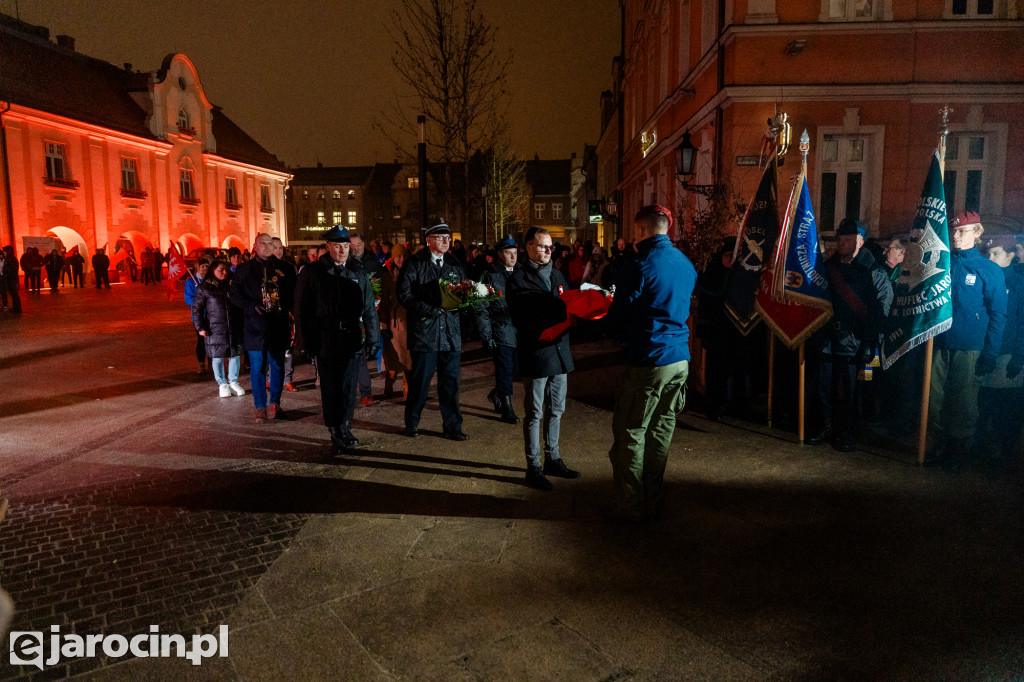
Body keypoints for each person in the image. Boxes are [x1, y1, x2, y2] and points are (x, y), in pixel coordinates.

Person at [602, 205, 696, 520]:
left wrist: (597, 318)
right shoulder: (684, 263)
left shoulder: (640, 264)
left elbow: (619, 314)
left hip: (651, 360)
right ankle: (653, 499)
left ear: (641, 230)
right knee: (661, 432)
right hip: (679, 359)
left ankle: (629, 507)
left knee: (631, 433)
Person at [924, 212, 1007, 473]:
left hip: (970, 345)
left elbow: (998, 314)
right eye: (954, 231)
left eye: (962, 231)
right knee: (935, 398)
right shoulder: (943, 264)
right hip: (940, 342)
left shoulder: (987, 269)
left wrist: (990, 353)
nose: (956, 235)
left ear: (978, 233)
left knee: (963, 401)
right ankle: (939, 445)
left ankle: (957, 450)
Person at [806, 219, 893, 452]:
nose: (841, 244)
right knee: (824, 387)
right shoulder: (827, 268)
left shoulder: (873, 271)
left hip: (857, 342)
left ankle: (847, 431)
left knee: (852, 391)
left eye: (847, 240)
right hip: (827, 339)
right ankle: (826, 426)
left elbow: (881, 310)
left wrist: (871, 342)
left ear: (860, 242)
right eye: (840, 239)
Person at [506, 227, 580, 490]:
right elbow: (523, 316)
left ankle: (553, 458)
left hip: (559, 352)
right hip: (537, 353)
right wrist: (557, 310)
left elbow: (569, 304)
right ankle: (534, 466)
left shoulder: (558, 274)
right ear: (528, 247)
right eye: (543, 246)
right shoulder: (518, 278)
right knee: (535, 412)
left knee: (557, 409)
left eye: (551, 246)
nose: (549, 250)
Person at [294, 226, 379, 450]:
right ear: (328, 246)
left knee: (349, 386)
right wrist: (304, 343)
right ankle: (334, 428)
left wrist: (373, 338)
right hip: (326, 338)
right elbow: (302, 310)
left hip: (351, 337)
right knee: (331, 386)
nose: (342, 251)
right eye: (337, 246)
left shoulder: (357, 271)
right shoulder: (313, 272)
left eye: (345, 246)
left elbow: (369, 308)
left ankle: (345, 426)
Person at [397, 217, 468, 440]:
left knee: (450, 383)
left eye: (448, 237)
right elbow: (404, 294)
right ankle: (412, 422)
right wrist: (428, 309)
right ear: (428, 239)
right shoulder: (415, 263)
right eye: (440, 237)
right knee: (420, 383)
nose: (446, 241)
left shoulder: (454, 263)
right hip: (425, 333)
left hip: (450, 333)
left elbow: (464, 291)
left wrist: (466, 300)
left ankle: (453, 426)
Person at [230, 233, 294, 422]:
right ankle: (260, 406)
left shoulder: (285, 268)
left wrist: (284, 307)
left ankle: (275, 402)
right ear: (255, 247)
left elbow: (293, 293)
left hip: (278, 325)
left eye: (269, 244)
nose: (267, 247)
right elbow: (234, 295)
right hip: (255, 326)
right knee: (257, 367)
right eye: (262, 244)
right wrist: (251, 306)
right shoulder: (244, 269)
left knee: (277, 365)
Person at [976, 236, 1024, 466]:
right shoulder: (984, 279)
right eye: (988, 253)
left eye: (996, 253)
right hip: (985, 351)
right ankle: (983, 448)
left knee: (1007, 406)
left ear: (1010, 255)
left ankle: (1006, 450)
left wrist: (1019, 356)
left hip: (1007, 353)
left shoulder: (1018, 283)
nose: (990, 258)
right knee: (984, 403)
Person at [476, 236, 521, 424]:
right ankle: (506, 407)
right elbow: (481, 308)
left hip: (519, 330)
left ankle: (497, 394)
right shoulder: (489, 275)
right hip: (500, 329)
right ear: (500, 254)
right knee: (505, 369)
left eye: (515, 253)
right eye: (509, 253)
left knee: (516, 369)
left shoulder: (521, 272)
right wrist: (486, 335)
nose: (513, 257)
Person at [192, 259, 246, 398]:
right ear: (213, 270)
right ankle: (222, 383)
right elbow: (197, 309)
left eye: (226, 269)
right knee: (217, 356)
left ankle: (233, 381)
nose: (224, 272)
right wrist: (200, 327)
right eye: (221, 270)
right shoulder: (205, 287)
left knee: (235, 354)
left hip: (234, 326)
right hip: (215, 328)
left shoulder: (232, 285)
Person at [349, 233, 383, 405]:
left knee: (360, 356)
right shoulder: (346, 264)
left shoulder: (372, 263)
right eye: (352, 245)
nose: (356, 248)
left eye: (359, 244)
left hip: (367, 313)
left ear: (364, 244)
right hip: (351, 317)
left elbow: (378, 287)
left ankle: (365, 393)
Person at [378, 242, 412, 398]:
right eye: (398, 256)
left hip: (408, 322)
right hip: (394, 324)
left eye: (404, 256)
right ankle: (389, 385)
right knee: (393, 359)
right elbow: (384, 303)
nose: (401, 259)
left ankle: (407, 388)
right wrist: (383, 325)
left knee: (408, 360)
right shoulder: (386, 277)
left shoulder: (411, 274)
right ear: (392, 258)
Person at [269, 237, 298, 392]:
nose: (278, 251)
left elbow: (295, 290)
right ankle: (270, 378)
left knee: (288, 348)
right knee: (271, 348)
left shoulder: (289, 267)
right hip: (271, 313)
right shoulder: (265, 267)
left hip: (287, 313)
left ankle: (287, 379)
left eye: (280, 247)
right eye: (275, 247)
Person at [184, 259, 211, 374]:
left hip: (212, 315)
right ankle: (201, 364)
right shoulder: (191, 281)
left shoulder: (211, 280)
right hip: (199, 316)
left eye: (207, 266)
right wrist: (200, 301)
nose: (205, 268)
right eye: (202, 266)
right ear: (197, 267)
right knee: (201, 340)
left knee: (212, 340)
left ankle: (212, 363)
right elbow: (188, 299)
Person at [0, 246, 21, 314]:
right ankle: (15, 308)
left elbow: (12, 269)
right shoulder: (8, 259)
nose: (3, 252)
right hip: (9, 279)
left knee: (14, 294)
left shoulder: (11, 259)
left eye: (4, 251)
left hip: (11, 279)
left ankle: (17, 309)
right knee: (13, 294)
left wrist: (6, 272)